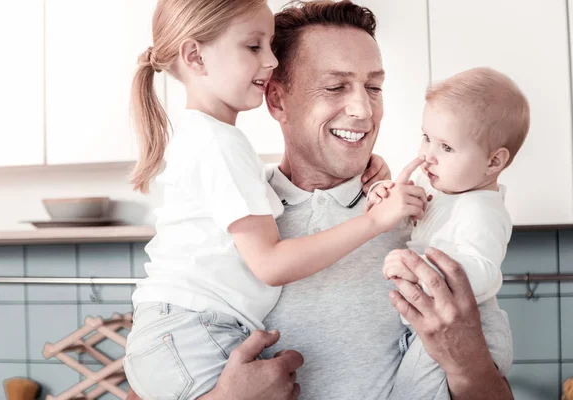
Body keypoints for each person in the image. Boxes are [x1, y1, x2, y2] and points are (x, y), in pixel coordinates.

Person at [127, 1, 514, 399]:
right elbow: (146, 384)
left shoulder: (420, 222)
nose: (363, 110)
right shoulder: (225, 224)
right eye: (335, 87)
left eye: (374, 88)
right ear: (276, 100)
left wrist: (466, 362)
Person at [371, 67, 529, 399]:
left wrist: (417, 270)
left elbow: (483, 272)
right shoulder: (449, 197)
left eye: (446, 147)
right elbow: (415, 235)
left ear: (493, 162)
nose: (427, 154)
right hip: (437, 329)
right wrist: (391, 205)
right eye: (426, 137)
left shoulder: (482, 209)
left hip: (474, 332)